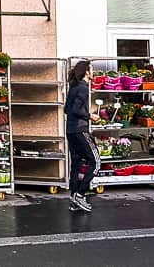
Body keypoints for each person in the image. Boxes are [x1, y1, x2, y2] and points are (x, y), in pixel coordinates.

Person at [66, 59, 98, 212]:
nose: (93, 72)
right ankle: (80, 194)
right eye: (92, 69)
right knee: (96, 162)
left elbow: (67, 109)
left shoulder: (73, 86)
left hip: (70, 130)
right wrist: (90, 116)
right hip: (80, 130)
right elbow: (76, 110)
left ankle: (73, 199)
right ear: (87, 72)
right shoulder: (83, 88)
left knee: (76, 164)